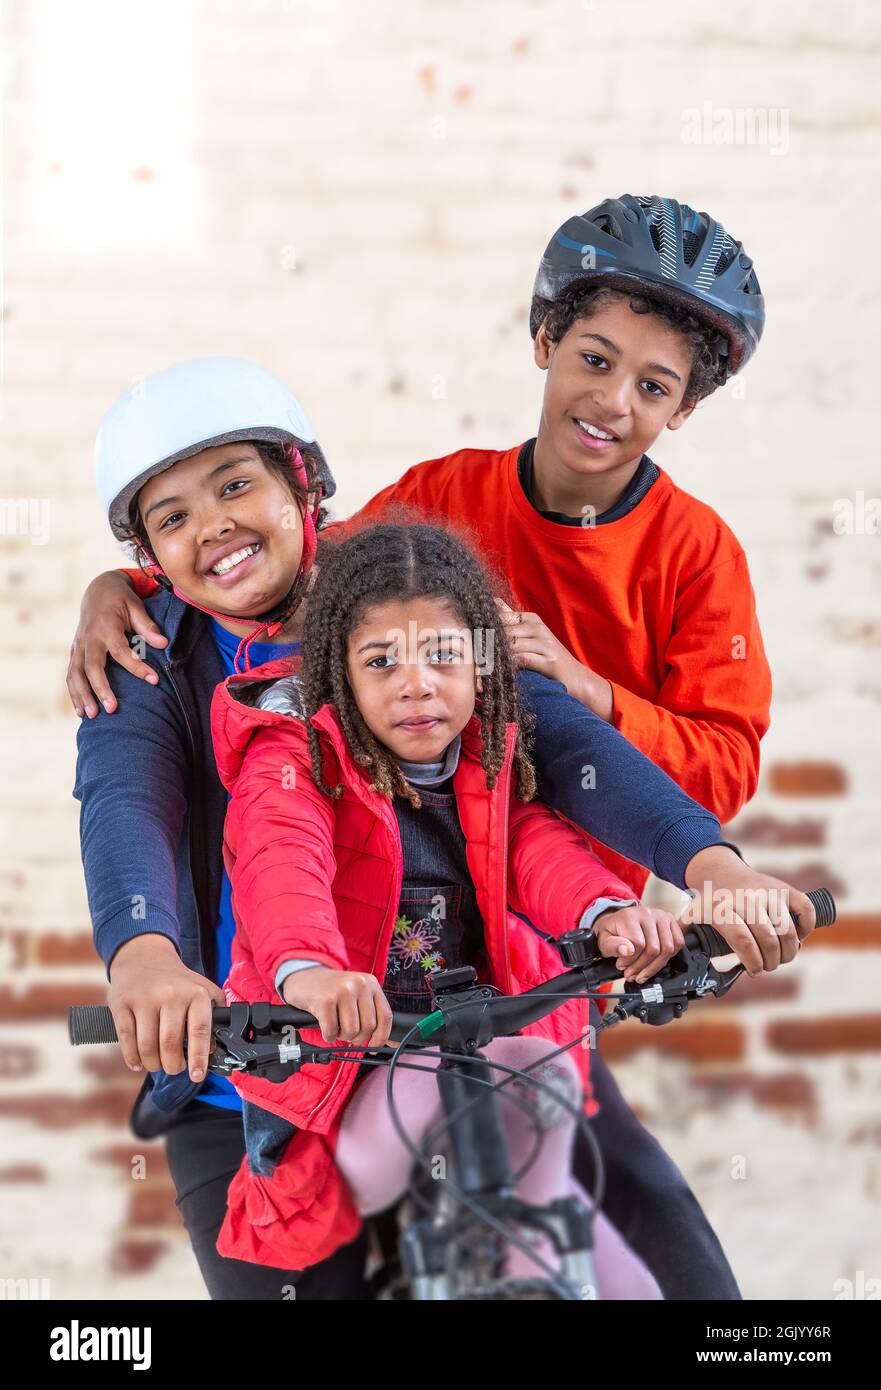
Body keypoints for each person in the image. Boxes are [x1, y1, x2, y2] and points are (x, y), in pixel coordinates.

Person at [73, 354, 814, 1299]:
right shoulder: (142, 654)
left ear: (301, 484)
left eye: (235, 486)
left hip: (476, 1032)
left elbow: (553, 749)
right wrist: (143, 954)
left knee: (693, 1289)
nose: (214, 526)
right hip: (262, 1068)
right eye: (171, 518)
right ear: (146, 556)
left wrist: (709, 864)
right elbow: (132, 804)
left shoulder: (409, 591)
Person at [209, 517, 678, 1293]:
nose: (416, 683)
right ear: (339, 676)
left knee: (612, 1262)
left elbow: (534, 847)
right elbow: (278, 859)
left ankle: (535, 1267)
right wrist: (308, 974)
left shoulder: (486, 754)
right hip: (343, 1066)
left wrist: (605, 914)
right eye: (381, 660)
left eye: (443, 656)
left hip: (479, 1041)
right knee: (489, 1097)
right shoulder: (294, 756)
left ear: (480, 667)